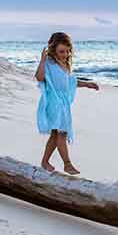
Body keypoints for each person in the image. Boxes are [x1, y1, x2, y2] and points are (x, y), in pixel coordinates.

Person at [36, 32, 99, 174]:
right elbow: (39, 78)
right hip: (54, 102)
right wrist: (42, 60)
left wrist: (87, 84)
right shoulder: (49, 64)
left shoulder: (65, 64)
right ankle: (67, 164)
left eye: (67, 51)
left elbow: (71, 82)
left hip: (63, 104)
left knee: (55, 135)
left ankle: (45, 161)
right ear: (53, 50)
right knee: (62, 133)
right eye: (61, 51)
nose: (65, 54)